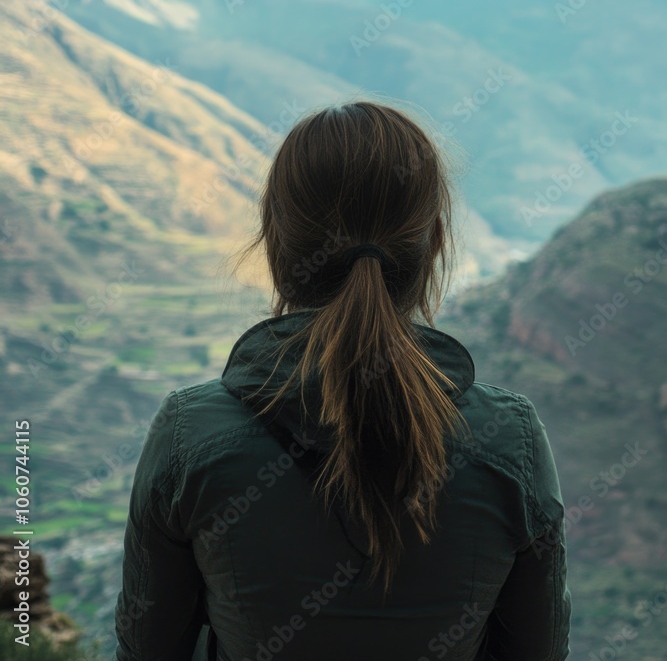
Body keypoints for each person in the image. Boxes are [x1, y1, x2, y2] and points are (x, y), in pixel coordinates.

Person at [114, 100, 571, 661]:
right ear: (433, 245)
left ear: (277, 247)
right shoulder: (509, 438)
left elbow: (147, 648)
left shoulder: (190, 435)